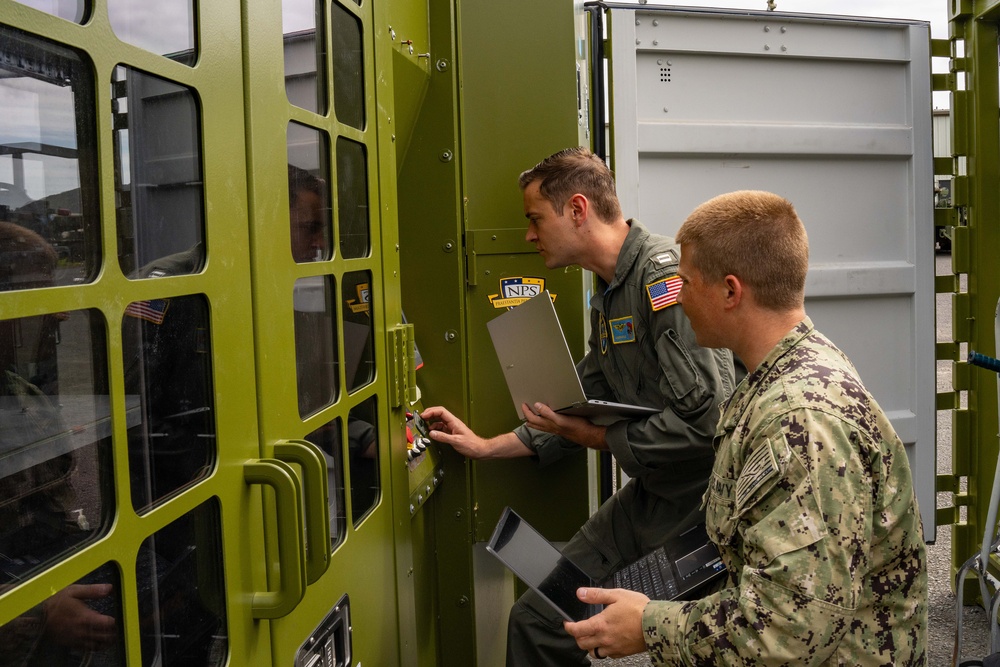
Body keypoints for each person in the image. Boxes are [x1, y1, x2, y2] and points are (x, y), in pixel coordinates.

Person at [563, 190, 928, 665]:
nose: (676, 295)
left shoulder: (799, 421)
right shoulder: (780, 375)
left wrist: (649, 625)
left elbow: (788, 630)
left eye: (686, 282)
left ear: (731, 292)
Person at [422, 147, 739, 666]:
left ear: (576, 210)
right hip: (653, 495)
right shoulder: (611, 293)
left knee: (693, 650)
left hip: (705, 508)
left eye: (533, 219)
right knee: (542, 618)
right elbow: (575, 402)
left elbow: (708, 425)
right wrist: (484, 447)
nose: (528, 234)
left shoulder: (662, 280)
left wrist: (597, 439)